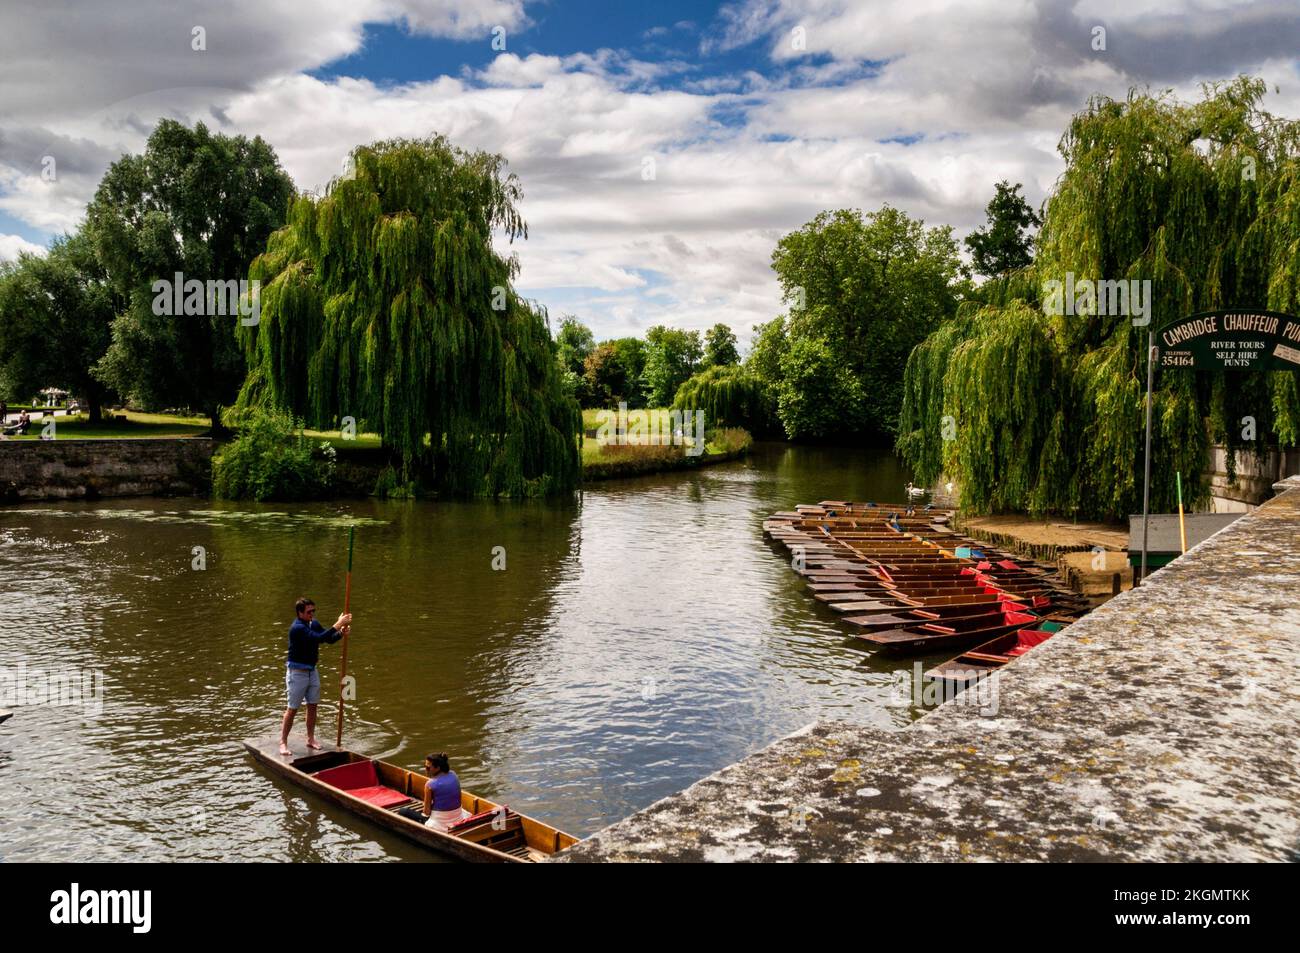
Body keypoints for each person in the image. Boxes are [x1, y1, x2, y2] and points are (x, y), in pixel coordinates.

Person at [278, 597, 351, 756]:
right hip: (297, 673)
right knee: (292, 709)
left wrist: (340, 633)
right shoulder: (297, 628)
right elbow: (316, 638)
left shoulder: (313, 624)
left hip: (312, 671)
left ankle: (310, 739)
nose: (312, 614)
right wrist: (337, 624)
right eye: (309, 612)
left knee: (313, 705)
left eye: (313, 611)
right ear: (300, 613)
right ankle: (283, 742)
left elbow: (327, 639)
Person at [398, 753, 468, 831]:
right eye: (425, 767)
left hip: (440, 823)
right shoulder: (453, 774)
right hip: (457, 817)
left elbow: (426, 813)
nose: (425, 770)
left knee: (403, 811)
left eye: (428, 768)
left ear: (437, 768)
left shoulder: (430, 784)